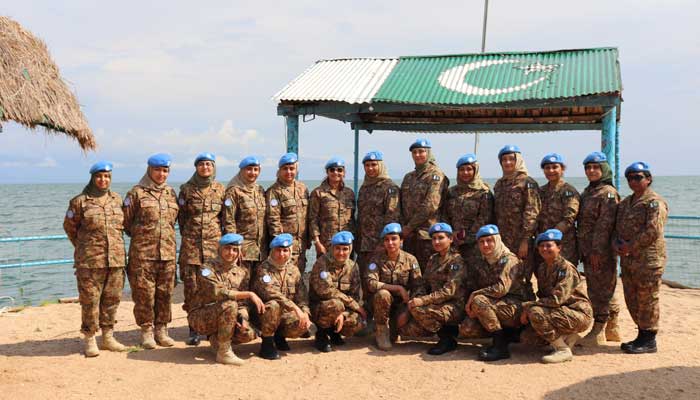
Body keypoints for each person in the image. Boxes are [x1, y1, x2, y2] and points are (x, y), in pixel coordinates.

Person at [63, 161, 127, 357]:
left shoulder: (116, 199)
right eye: (99, 176)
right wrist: (85, 248)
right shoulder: (79, 202)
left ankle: (108, 336)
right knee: (90, 301)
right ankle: (90, 338)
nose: (103, 180)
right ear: (93, 178)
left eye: (107, 176)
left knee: (112, 299)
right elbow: (70, 228)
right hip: (90, 261)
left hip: (115, 260)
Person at [123, 153, 179, 349]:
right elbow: (126, 223)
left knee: (165, 294)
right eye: (157, 170)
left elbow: (174, 222)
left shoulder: (171, 193)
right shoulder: (136, 193)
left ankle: (162, 330)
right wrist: (144, 238)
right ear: (149, 170)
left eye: (165, 171)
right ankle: (146, 331)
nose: (161, 174)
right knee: (144, 295)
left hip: (168, 254)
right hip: (143, 255)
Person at [614, 162, 668, 354]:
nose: (633, 181)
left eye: (638, 177)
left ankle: (649, 339)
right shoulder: (627, 202)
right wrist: (618, 245)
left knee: (648, 298)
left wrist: (630, 246)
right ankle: (641, 335)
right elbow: (618, 227)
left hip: (648, 260)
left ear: (648, 179)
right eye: (630, 178)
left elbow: (653, 230)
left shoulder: (654, 202)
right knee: (632, 298)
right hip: (629, 260)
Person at [187, 233, 265, 365]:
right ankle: (224, 353)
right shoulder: (206, 268)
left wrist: (243, 319)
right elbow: (218, 292)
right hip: (201, 316)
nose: (231, 253)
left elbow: (242, 304)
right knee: (229, 305)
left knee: (248, 334)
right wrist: (249, 294)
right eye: (227, 248)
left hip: (227, 315)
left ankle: (216, 339)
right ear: (220, 249)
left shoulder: (242, 272)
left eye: (235, 250)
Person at [521, 229, 593, 363]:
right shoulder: (542, 269)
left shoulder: (566, 268)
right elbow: (544, 296)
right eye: (541, 246)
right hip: (559, 312)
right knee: (528, 338)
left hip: (578, 313)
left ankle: (562, 350)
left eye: (549, 245)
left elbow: (556, 300)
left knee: (535, 312)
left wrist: (529, 306)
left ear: (559, 248)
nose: (544, 249)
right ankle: (569, 337)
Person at [461, 224, 531, 362]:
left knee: (479, 301)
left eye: (489, 240)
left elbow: (501, 289)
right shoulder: (483, 261)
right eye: (481, 242)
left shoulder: (509, 259)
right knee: (467, 329)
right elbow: (473, 284)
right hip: (495, 305)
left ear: (497, 240)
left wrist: (474, 295)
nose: (486, 245)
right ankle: (507, 334)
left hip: (516, 306)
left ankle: (500, 346)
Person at [177, 152, 225, 346]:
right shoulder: (186, 190)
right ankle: (193, 329)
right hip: (192, 248)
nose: (206, 167)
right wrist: (192, 234)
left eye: (209, 164)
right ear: (196, 167)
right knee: (192, 288)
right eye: (202, 164)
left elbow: (224, 218)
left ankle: (212, 327)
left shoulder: (221, 189)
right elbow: (181, 218)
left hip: (214, 249)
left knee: (213, 287)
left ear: (213, 167)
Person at [399, 222, 466, 355]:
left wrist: (422, 301)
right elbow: (423, 283)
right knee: (406, 328)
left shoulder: (456, 261)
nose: (437, 241)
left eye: (441, 238)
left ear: (450, 239)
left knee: (418, 309)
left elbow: (449, 291)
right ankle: (445, 332)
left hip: (454, 305)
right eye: (434, 238)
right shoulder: (433, 259)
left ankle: (447, 339)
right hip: (436, 304)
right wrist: (415, 299)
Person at [577, 152, 622, 346]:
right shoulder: (589, 191)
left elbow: (605, 225)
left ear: (603, 169)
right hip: (588, 249)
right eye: (588, 168)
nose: (591, 171)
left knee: (600, 289)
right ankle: (612, 326)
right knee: (601, 286)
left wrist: (597, 251)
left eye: (595, 167)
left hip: (600, 251)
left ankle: (599, 328)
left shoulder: (607, 193)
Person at [365, 223, 424, 351]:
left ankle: (392, 330)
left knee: (411, 328)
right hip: (380, 304)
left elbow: (418, 287)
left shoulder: (410, 260)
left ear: (401, 240)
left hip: (401, 304)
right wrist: (398, 288)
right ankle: (381, 330)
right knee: (383, 294)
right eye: (386, 240)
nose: (390, 243)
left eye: (394, 239)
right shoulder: (376, 259)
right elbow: (371, 283)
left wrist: (409, 309)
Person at [254, 233, 312, 360]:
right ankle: (267, 343)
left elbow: (301, 296)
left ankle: (279, 336)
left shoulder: (293, 270)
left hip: (285, 315)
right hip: (263, 315)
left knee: (301, 325)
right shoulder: (264, 269)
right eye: (278, 250)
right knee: (274, 305)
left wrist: (305, 312)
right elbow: (273, 294)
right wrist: (296, 309)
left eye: (285, 250)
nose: (281, 254)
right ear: (272, 252)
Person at [309, 231, 367, 352]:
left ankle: (334, 332)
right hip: (320, 308)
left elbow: (354, 295)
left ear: (350, 249)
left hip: (341, 308)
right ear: (332, 248)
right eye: (338, 248)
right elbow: (326, 291)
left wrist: (343, 314)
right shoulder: (322, 263)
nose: (341, 253)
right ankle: (322, 334)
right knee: (336, 304)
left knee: (358, 321)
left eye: (345, 249)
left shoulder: (353, 267)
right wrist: (353, 306)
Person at [493, 145, 540, 290]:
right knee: (505, 276)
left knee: (523, 276)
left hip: (521, 240)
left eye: (511, 159)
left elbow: (532, 211)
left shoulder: (528, 183)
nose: (507, 163)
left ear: (518, 160)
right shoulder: (499, 185)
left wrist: (525, 240)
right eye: (504, 160)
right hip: (503, 240)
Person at [356, 150, 400, 299]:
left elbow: (392, 216)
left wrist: (385, 242)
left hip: (381, 244)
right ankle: (367, 313)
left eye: (374, 165)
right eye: (367, 165)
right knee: (365, 278)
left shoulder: (390, 187)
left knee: (381, 279)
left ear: (380, 165)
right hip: (364, 244)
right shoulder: (364, 188)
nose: (370, 168)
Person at [400, 138, 449, 271]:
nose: (418, 155)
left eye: (421, 151)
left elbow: (430, 205)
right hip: (409, 236)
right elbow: (401, 204)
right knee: (410, 271)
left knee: (428, 272)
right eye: (414, 152)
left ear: (428, 153)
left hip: (427, 235)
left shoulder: (436, 175)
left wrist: (409, 226)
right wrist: (404, 229)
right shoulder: (408, 177)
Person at [443, 153, 493, 262]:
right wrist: (452, 233)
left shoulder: (483, 192)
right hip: (453, 241)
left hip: (476, 243)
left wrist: (467, 238)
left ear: (475, 171)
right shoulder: (451, 192)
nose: (465, 173)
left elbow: (485, 217)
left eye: (469, 169)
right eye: (462, 169)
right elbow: (445, 214)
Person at [266, 153, 310, 273]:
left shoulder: (303, 188)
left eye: (292, 168)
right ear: (279, 171)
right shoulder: (274, 191)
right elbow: (273, 220)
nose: (289, 172)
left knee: (298, 279)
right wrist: (281, 246)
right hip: (285, 247)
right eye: (285, 169)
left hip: (301, 246)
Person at [224, 155, 267, 273]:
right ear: (242, 170)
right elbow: (229, 221)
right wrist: (235, 247)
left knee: (259, 286)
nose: (252, 173)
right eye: (249, 169)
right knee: (242, 285)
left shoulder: (260, 190)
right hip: (243, 250)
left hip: (261, 250)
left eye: (256, 169)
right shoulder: (234, 191)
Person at [536, 153, 580, 264]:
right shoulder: (541, 191)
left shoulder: (568, 191)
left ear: (562, 169)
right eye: (547, 168)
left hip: (563, 245)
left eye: (555, 167)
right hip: (544, 247)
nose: (551, 171)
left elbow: (569, 218)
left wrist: (551, 238)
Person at [309, 157, 356, 256]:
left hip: (346, 243)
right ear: (327, 172)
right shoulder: (318, 193)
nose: (336, 173)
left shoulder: (349, 193)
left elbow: (352, 219)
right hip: (327, 244)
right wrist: (317, 242)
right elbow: (313, 219)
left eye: (339, 170)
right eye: (332, 170)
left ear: (344, 173)